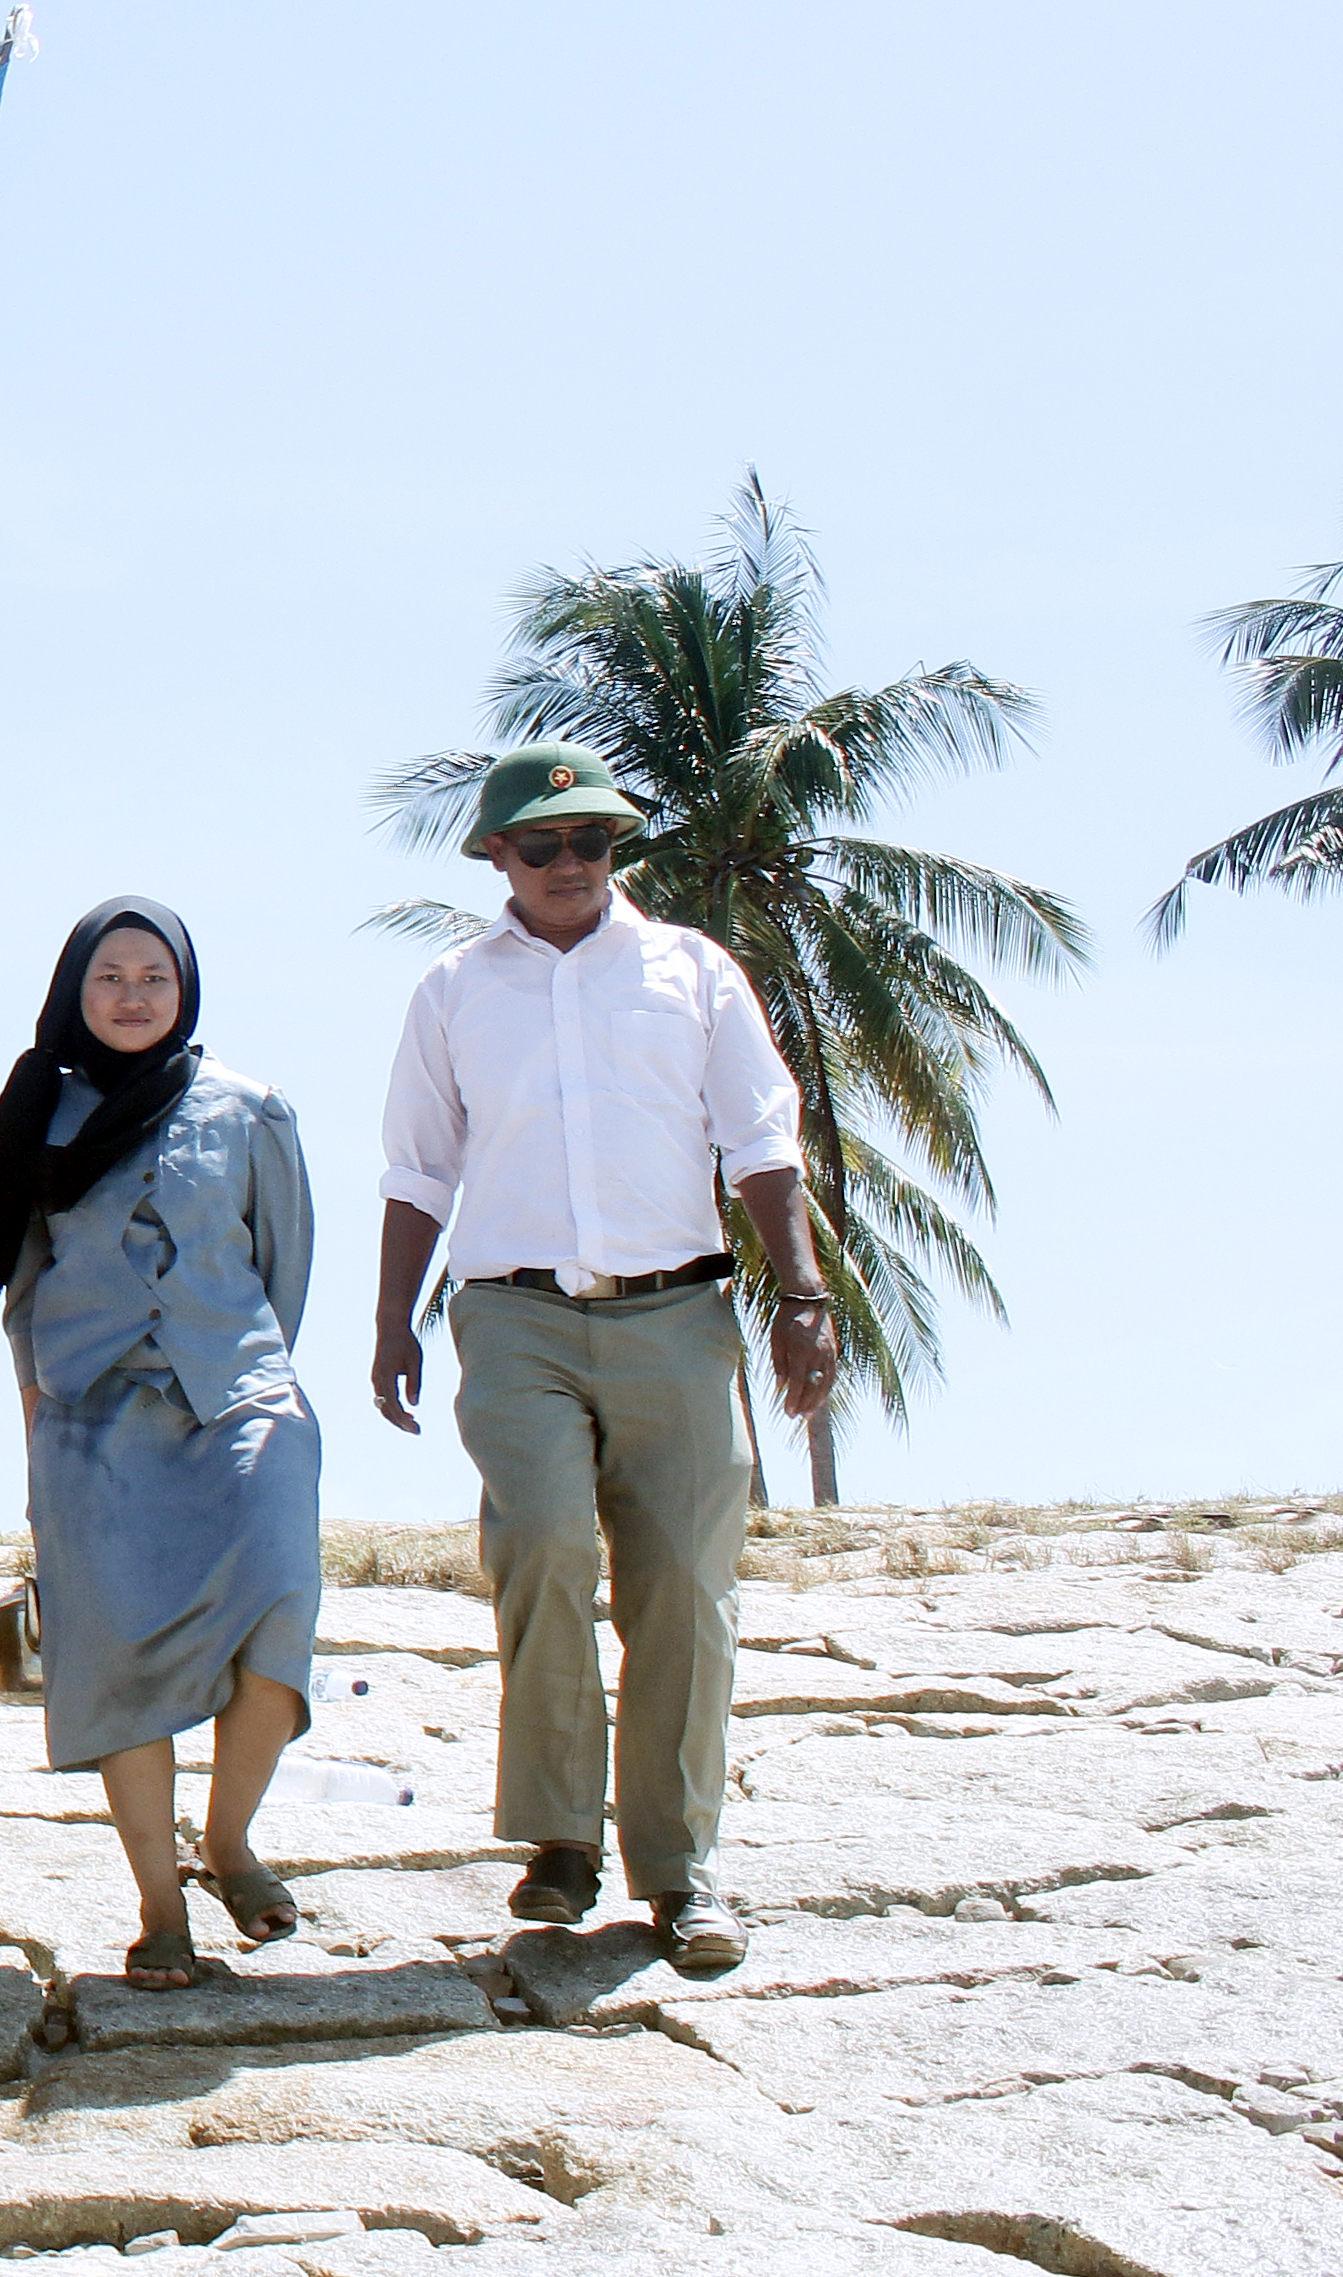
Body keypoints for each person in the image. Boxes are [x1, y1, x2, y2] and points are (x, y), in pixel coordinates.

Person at [374, 745, 836, 1978]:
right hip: (512, 1316)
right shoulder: (454, 989)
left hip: (675, 1316)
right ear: (494, 859)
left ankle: (679, 1869)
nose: (569, 862)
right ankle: (559, 1838)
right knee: (541, 1543)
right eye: (541, 844)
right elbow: (419, 1166)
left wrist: (801, 1292)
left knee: (683, 1580)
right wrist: (387, 1324)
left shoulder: (692, 970)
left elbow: (758, 1136)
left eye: (591, 840)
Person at [0, 899, 321, 1992]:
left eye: (153, 977)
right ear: (77, 986)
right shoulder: (37, 1113)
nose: (131, 995)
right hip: (87, 1416)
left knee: (276, 1617)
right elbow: (18, 1287)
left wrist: (241, 1368)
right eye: (109, 975)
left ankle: (227, 1839)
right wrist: (39, 1417)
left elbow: (283, 1261)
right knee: (117, 1659)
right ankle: (160, 1905)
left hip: (238, 1400)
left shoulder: (252, 1109)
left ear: (185, 989)